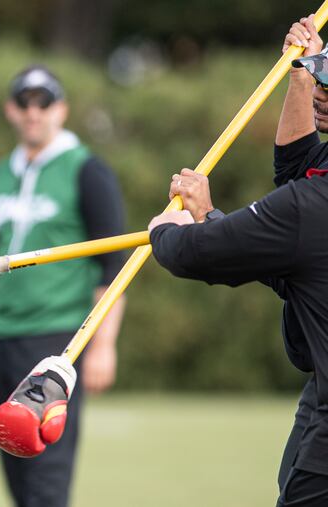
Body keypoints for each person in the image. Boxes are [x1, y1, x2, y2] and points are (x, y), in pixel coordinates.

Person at [148, 14, 328, 506]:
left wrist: (168, 230)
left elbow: (198, 256)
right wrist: (301, 74)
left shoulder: (309, 207)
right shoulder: (310, 199)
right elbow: (297, 171)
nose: (322, 90)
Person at [0, 65, 127, 507]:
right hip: (1, 338)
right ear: (11, 110)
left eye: (44, 103)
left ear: (60, 109)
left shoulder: (87, 170)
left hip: (55, 339)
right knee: (16, 470)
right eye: (24, 103)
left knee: (47, 477)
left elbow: (112, 266)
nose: (33, 113)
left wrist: (103, 345)